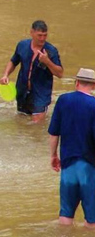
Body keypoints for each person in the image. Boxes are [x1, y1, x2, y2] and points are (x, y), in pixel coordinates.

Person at [49, 68, 95, 227]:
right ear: (94, 85)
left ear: (76, 83)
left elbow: (54, 133)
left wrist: (53, 155)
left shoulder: (63, 100)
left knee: (65, 216)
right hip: (89, 166)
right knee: (92, 219)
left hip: (68, 164)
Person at [0, 20, 64, 122]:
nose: (42, 38)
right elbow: (13, 61)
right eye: (39, 35)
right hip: (22, 90)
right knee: (22, 121)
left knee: (36, 125)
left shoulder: (51, 50)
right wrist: (5, 75)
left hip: (41, 93)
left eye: (45, 35)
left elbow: (60, 73)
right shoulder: (22, 45)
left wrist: (47, 61)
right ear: (31, 32)